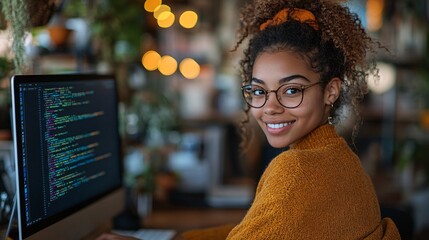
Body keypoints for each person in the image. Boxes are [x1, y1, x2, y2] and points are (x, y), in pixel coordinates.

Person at [180, 0, 401, 239]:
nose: (270, 107)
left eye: (292, 90)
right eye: (258, 91)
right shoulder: (343, 160)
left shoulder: (296, 171)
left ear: (331, 91)